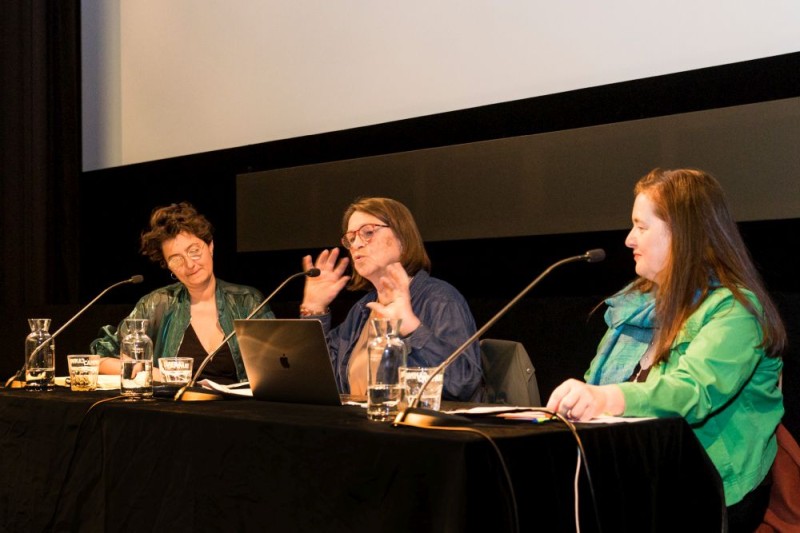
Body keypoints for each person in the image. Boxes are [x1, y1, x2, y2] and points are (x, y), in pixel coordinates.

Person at [546, 168, 786, 531]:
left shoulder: (735, 311)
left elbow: (692, 391)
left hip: (706, 492)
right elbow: (596, 385)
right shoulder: (634, 306)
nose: (629, 239)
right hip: (636, 476)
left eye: (641, 227)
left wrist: (605, 398)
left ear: (682, 234)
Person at [299, 197, 482, 401]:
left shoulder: (439, 299)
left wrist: (411, 327)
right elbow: (320, 380)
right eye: (350, 238)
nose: (356, 244)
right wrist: (314, 309)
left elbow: (462, 383)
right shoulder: (362, 309)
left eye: (368, 232)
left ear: (402, 238)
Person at [91, 202, 273, 384]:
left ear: (210, 246)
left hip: (236, 411)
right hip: (174, 409)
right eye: (176, 259)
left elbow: (280, 362)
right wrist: (143, 368)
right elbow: (98, 358)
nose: (189, 265)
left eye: (194, 251)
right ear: (168, 266)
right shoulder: (157, 303)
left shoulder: (246, 301)